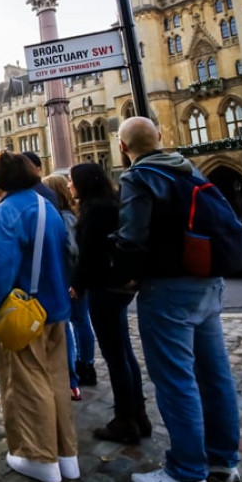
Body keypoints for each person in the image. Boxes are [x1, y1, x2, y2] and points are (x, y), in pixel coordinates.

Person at [112, 117, 242, 482]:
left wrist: (124, 273)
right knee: (215, 376)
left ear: (123, 147)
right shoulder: (188, 169)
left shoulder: (139, 177)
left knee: (175, 380)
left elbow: (132, 239)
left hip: (169, 288)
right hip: (208, 283)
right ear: (162, 138)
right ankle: (223, 463)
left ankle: (186, 472)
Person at [0, 150, 77, 482]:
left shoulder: (9, 211)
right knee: (57, 380)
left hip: (25, 311)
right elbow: (67, 253)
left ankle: (39, 457)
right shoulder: (46, 206)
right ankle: (67, 455)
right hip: (56, 307)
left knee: (28, 383)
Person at [69, 162, 148, 445]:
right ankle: (138, 414)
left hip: (105, 286)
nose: (69, 185)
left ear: (84, 183)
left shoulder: (96, 209)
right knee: (124, 352)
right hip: (120, 286)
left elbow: (88, 255)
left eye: (72, 180)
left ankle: (125, 420)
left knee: (116, 356)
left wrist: (76, 285)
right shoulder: (110, 203)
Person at [42, 173, 96, 400]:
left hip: (70, 281)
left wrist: (73, 281)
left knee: (75, 323)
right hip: (75, 279)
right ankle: (85, 363)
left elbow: (73, 251)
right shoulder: (72, 214)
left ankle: (81, 367)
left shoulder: (63, 217)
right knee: (80, 321)